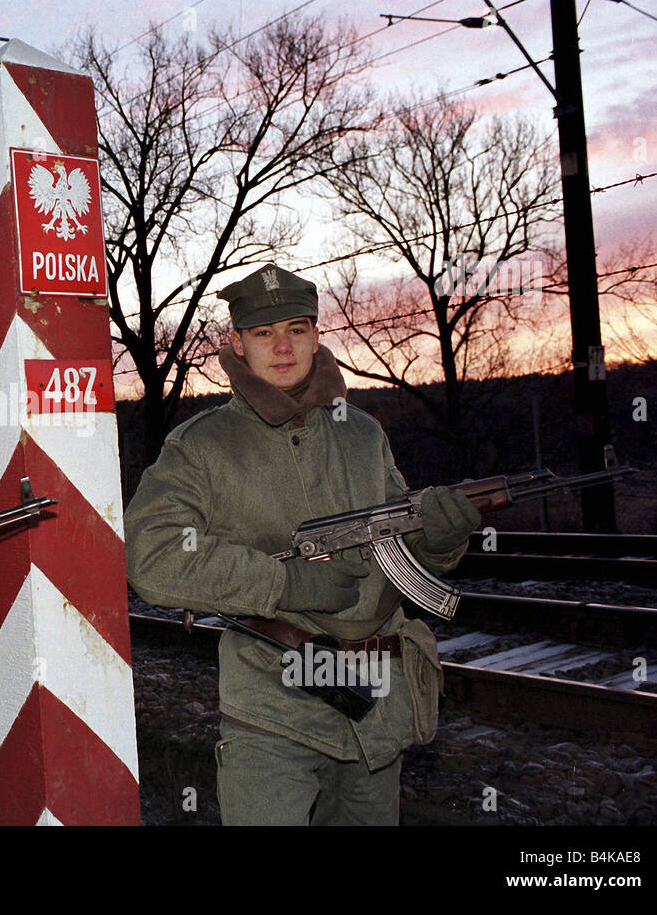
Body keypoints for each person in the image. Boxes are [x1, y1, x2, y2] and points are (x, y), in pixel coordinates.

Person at [124, 263, 480, 826]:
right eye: (264, 333)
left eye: (297, 328)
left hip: (375, 705)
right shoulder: (202, 446)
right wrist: (282, 581)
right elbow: (153, 556)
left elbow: (401, 551)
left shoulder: (362, 433)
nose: (283, 346)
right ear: (238, 344)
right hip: (273, 706)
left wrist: (438, 541)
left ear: (317, 335)